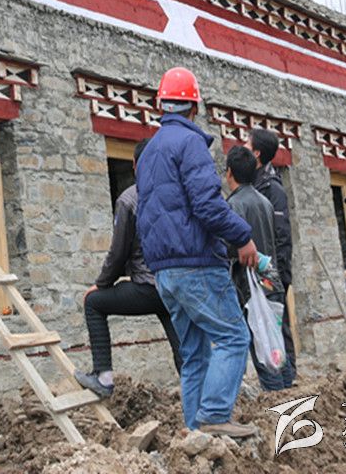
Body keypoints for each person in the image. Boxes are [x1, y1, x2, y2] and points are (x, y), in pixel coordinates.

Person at [136, 67, 260, 439]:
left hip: (164, 272)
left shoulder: (149, 151)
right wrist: (243, 237)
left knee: (194, 354)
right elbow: (207, 205)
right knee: (234, 336)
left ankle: (195, 435)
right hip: (195, 264)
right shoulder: (190, 144)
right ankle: (215, 415)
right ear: (194, 108)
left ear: (162, 105)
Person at [75, 139, 184, 398]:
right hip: (177, 285)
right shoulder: (178, 195)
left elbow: (118, 252)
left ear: (135, 165)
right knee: (183, 347)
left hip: (148, 288)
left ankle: (103, 377)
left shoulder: (129, 199)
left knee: (94, 303)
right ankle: (200, 397)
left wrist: (101, 284)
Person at [224, 145, 292, 391]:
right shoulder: (265, 202)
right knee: (275, 344)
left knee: (262, 349)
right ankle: (286, 390)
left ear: (229, 172)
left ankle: (277, 399)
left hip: (249, 285)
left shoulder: (233, 205)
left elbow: (231, 247)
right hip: (271, 279)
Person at [246, 127, 297, 386]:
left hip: (270, 270)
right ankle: (280, 376)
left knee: (277, 323)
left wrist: (279, 274)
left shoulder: (272, 188)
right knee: (267, 324)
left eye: (247, 144)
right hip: (257, 269)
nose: (244, 147)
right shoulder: (253, 182)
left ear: (257, 153)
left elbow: (281, 235)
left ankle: (286, 379)